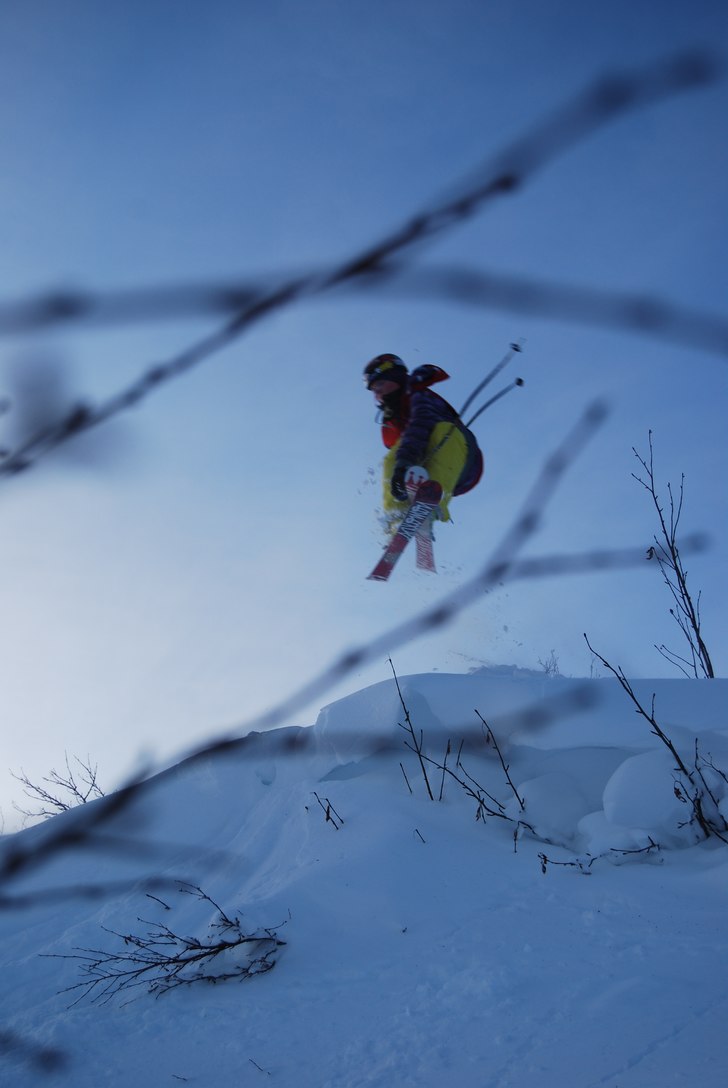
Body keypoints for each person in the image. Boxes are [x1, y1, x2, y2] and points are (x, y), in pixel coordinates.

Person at [363, 353, 483, 533]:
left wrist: (404, 464)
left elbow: (421, 424)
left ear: (395, 378)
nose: (377, 393)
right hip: (426, 461)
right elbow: (404, 447)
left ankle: (432, 503)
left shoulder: (418, 396)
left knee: (444, 431)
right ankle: (396, 518)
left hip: (462, 458)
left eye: (380, 384)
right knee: (391, 459)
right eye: (374, 390)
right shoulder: (393, 418)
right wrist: (399, 472)